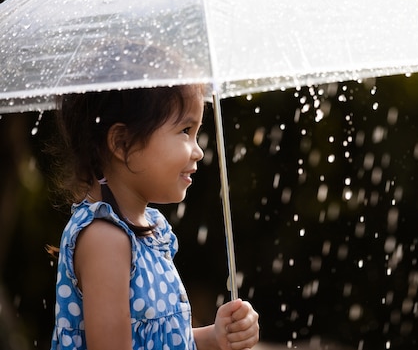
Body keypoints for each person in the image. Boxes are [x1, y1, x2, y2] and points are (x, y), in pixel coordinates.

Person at [48, 83, 259, 350]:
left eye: (196, 133)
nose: (198, 151)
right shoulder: (105, 240)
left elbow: (160, 340)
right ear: (122, 144)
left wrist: (215, 337)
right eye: (185, 131)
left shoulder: (148, 229)